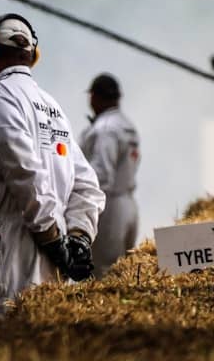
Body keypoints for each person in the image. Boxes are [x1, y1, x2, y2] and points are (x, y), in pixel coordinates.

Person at [0, 14, 105, 317]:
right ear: (32, 56)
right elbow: (87, 185)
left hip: (9, 249)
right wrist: (78, 238)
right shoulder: (51, 106)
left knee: (1, 339)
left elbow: (23, 171)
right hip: (54, 252)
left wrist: (51, 238)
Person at [78, 73, 140, 277]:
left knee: (103, 271)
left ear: (94, 97)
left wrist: (83, 211)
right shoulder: (128, 126)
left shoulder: (105, 128)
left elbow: (101, 175)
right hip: (129, 205)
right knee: (123, 272)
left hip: (108, 207)